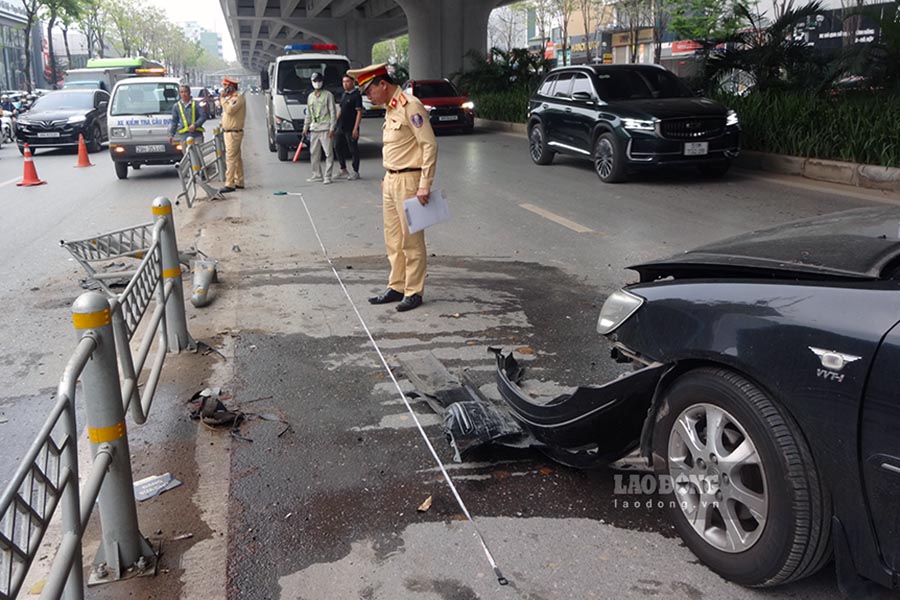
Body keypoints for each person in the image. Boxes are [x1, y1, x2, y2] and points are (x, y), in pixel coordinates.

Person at [347, 63, 437, 313]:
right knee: (393, 239)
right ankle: (397, 285)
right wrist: (388, 175)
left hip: (410, 181)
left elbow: (428, 145)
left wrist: (424, 184)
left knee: (411, 240)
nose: (367, 97)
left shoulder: (411, 105)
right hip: (392, 180)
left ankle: (413, 290)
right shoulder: (391, 108)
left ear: (382, 85)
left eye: (368, 91)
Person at [300, 72, 336, 185]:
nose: (317, 83)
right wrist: (305, 127)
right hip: (314, 129)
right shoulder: (310, 97)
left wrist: (332, 128)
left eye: (319, 80)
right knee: (314, 153)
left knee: (328, 153)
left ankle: (327, 176)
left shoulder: (328, 95)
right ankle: (317, 174)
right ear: (312, 82)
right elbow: (308, 114)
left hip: (326, 128)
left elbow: (333, 112)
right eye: (315, 81)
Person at [219, 77, 246, 194]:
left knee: (230, 158)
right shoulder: (230, 98)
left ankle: (229, 183)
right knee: (236, 158)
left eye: (225, 87)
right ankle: (239, 180)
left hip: (234, 133)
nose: (223, 89)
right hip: (229, 132)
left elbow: (230, 110)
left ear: (230, 87)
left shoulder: (237, 98)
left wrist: (222, 98)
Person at [334, 75, 363, 180]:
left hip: (351, 127)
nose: (345, 84)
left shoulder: (356, 95)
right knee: (337, 146)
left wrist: (356, 128)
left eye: (347, 81)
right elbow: (340, 109)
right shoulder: (344, 95)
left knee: (353, 149)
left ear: (352, 82)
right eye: (343, 82)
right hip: (341, 126)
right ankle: (343, 168)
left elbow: (359, 112)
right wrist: (334, 124)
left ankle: (355, 171)